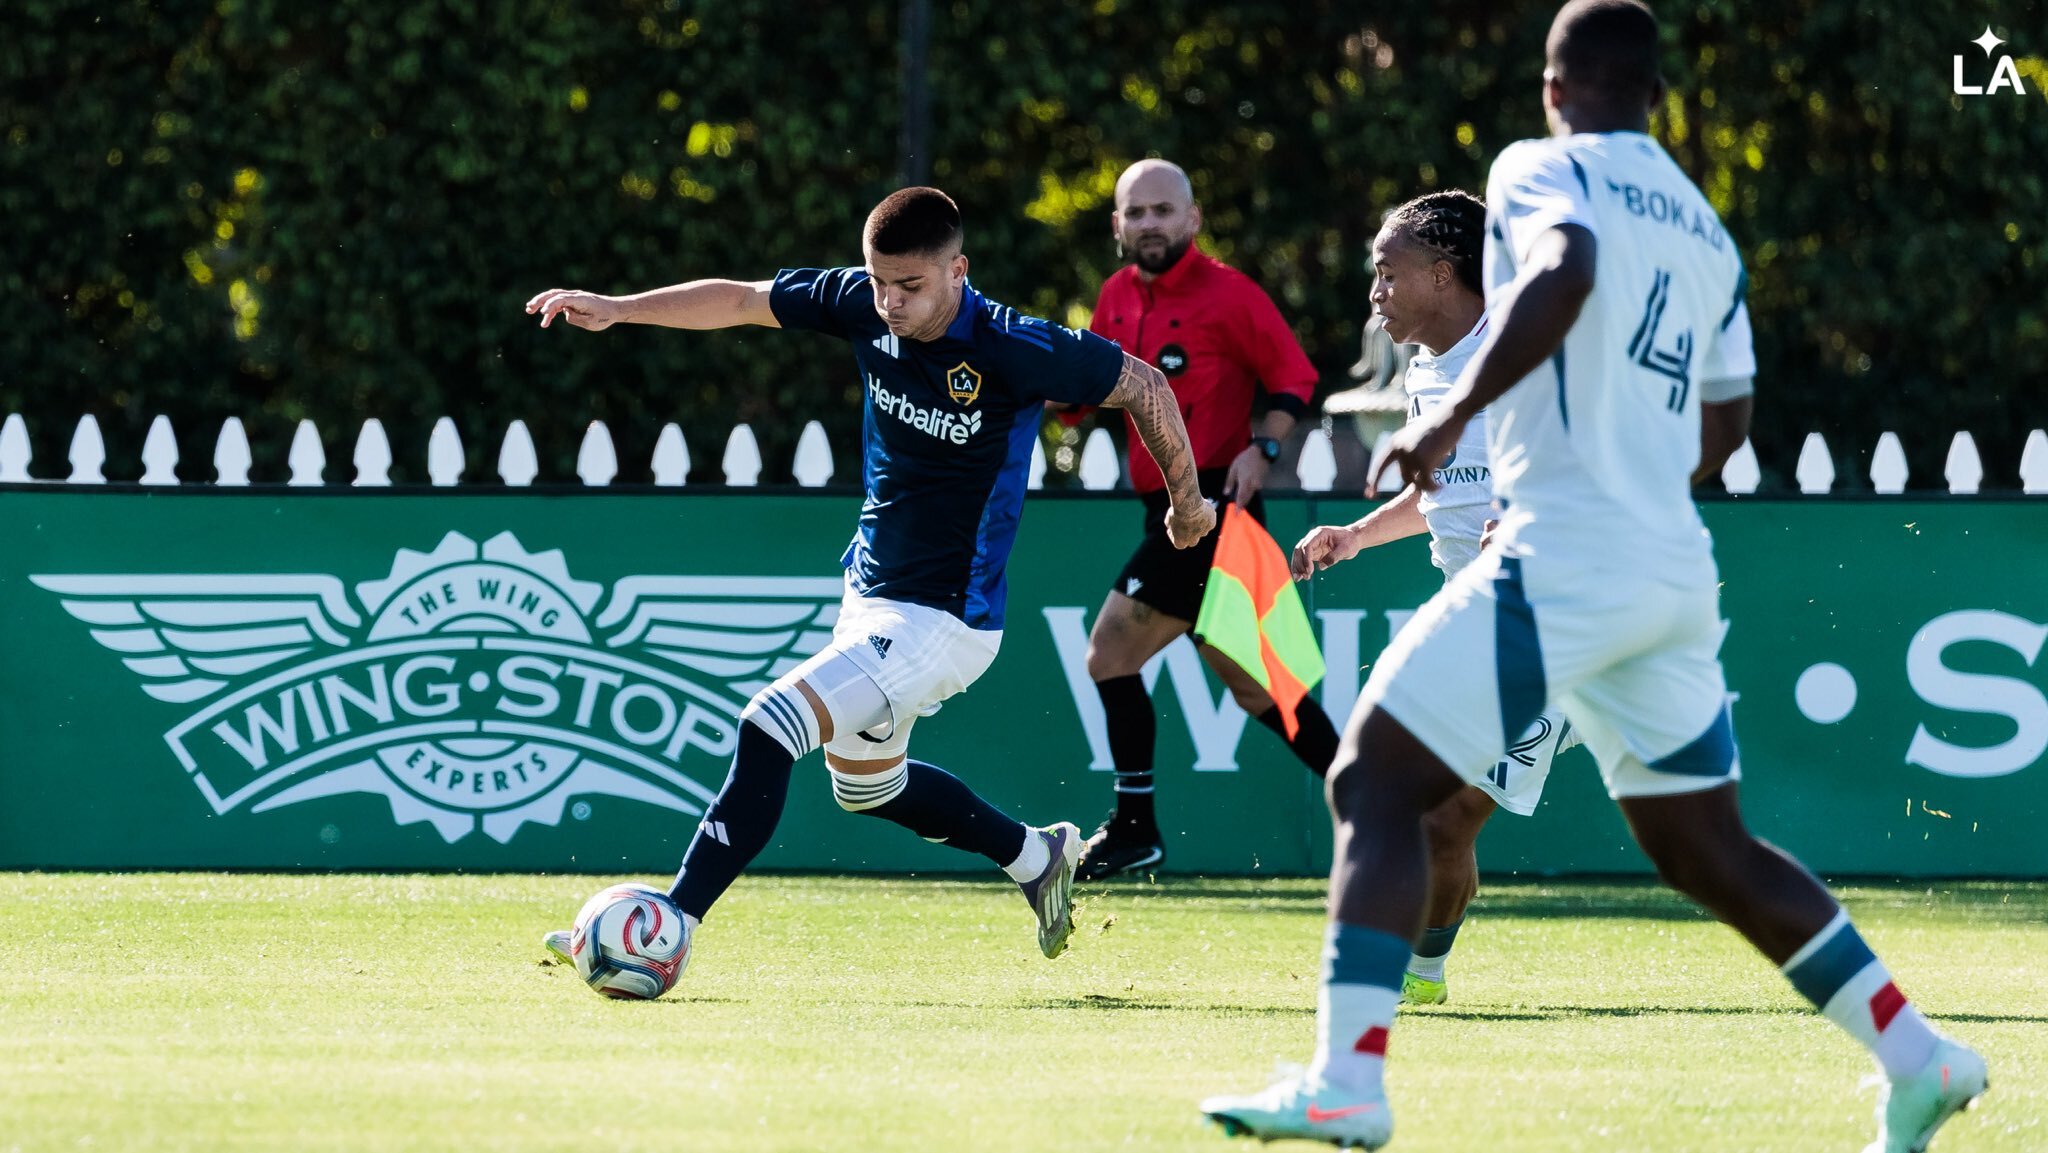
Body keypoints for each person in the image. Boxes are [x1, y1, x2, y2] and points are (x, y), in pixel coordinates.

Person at [1201, 4, 1985, 1150]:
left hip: (1560, 549)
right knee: (1709, 850)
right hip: (1666, 563)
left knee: (1371, 781)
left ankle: (1345, 1084)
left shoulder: (1540, 166)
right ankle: (1919, 1058)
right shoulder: (1705, 229)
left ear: (1553, 86)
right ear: (1652, 93)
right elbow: (1727, 419)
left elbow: (1564, 266)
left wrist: (1453, 418)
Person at [524, 187, 1215, 977]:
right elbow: (745, 300)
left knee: (769, 722)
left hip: (947, 621)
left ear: (958, 270)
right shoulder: (862, 301)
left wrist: (1187, 506)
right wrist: (620, 307)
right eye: (879, 280)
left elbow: (1145, 387)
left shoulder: (1016, 345)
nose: (889, 301)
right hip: (872, 600)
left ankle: (669, 920)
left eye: (910, 286)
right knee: (867, 787)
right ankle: (1035, 856)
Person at [1290, 190, 1580, 1007]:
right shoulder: (1428, 368)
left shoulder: (1528, 356)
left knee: (1443, 816)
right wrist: (1354, 534)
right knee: (1375, 783)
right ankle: (1414, 968)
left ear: (1444, 274)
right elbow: (1442, 492)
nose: (1375, 291)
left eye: (1388, 273)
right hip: (1468, 611)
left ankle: (1415, 977)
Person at [1069, 158, 1342, 882]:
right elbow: (1079, 391)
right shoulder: (1114, 297)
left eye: (1165, 210)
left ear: (1192, 219)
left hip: (1218, 507)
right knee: (1262, 689)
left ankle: (1135, 824)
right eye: (1138, 212)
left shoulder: (1231, 293)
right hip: (1164, 512)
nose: (1151, 223)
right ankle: (1371, 798)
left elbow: (1294, 378)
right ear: (1118, 225)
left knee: (1108, 652)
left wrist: (1267, 445)